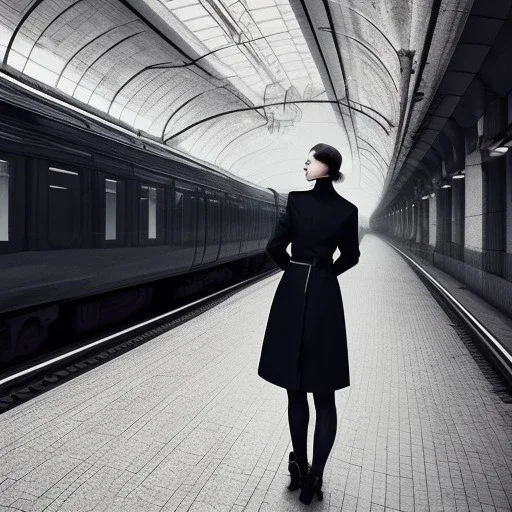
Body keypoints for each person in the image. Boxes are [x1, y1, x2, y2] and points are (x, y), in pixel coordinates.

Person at [257, 143, 361, 505]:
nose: (306, 162)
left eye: (312, 158)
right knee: (325, 393)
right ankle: (315, 476)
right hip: (326, 298)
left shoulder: (296, 202)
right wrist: (326, 274)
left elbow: (274, 247)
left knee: (295, 388)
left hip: (292, 292)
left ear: (327, 167)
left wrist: (294, 270)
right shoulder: (349, 210)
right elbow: (352, 256)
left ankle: (298, 465)